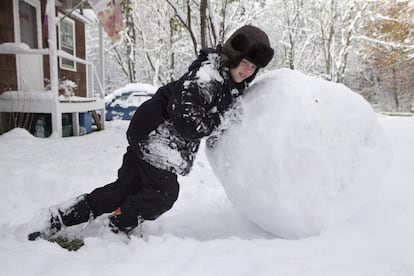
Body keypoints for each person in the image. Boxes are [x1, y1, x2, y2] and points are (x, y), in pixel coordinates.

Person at [28, 25, 274, 241]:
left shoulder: (225, 80)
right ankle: (115, 225)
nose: (247, 71)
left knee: (123, 189)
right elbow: (188, 125)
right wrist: (223, 119)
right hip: (155, 135)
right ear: (233, 56)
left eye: (253, 68)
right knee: (164, 194)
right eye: (245, 63)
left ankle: (57, 218)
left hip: (148, 130)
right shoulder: (205, 79)